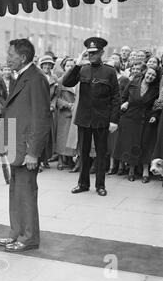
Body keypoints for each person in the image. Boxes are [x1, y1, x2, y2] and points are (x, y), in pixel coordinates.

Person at [0, 38, 51, 252]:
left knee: (26, 193)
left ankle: (29, 237)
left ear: (23, 57)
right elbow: (22, 108)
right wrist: (1, 109)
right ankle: (16, 232)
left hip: (25, 147)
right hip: (16, 144)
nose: (7, 58)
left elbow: (41, 118)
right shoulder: (22, 76)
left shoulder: (36, 79)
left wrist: (34, 153)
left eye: (11, 55)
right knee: (16, 191)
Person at [63, 37, 120, 197]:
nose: (92, 55)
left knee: (101, 153)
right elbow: (67, 83)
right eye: (89, 53)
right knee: (84, 152)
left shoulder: (109, 71)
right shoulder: (82, 69)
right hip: (84, 118)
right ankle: (83, 183)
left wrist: (114, 120)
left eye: (95, 53)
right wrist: (77, 64)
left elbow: (116, 97)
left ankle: (100, 185)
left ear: (102, 52)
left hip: (102, 118)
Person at [113, 67, 161, 183]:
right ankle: (131, 171)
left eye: (153, 75)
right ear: (145, 73)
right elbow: (123, 97)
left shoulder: (155, 88)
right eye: (149, 74)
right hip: (130, 118)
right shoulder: (133, 82)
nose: (150, 77)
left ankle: (145, 170)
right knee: (131, 145)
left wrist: (155, 115)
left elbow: (156, 105)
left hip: (146, 119)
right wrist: (124, 103)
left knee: (145, 144)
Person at [106, 59, 130, 175]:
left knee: (119, 139)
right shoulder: (106, 78)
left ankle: (120, 165)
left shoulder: (124, 79)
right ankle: (111, 165)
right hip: (107, 111)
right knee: (110, 140)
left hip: (120, 112)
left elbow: (126, 95)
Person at [54, 57, 76, 170]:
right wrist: (67, 105)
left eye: (72, 65)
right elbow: (56, 98)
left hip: (75, 112)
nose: (70, 68)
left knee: (72, 137)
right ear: (63, 67)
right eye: (68, 65)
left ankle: (70, 159)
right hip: (64, 112)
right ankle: (60, 160)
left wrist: (75, 105)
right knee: (62, 136)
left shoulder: (78, 80)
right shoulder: (60, 81)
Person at [0, 65, 14, 184]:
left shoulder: (14, 81)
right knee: (1, 140)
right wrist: (7, 105)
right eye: (5, 69)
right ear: (2, 71)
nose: (7, 72)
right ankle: (7, 175)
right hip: (2, 110)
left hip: (12, 111)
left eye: (9, 70)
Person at [38, 55, 59, 171]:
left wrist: (52, 105)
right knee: (39, 136)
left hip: (49, 111)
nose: (47, 66)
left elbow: (56, 94)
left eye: (49, 64)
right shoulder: (37, 77)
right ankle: (39, 160)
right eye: (45, 64)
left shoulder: (54, 78)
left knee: (48, 136)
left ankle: (45, 159)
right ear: (41, 65)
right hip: (39, 111)